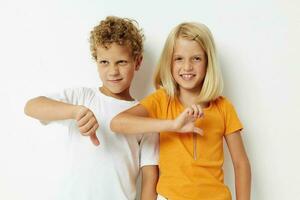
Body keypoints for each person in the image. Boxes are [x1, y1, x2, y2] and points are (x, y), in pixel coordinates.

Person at [111, 22, 251, 200]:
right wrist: (172, 125)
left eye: (196, 58)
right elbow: (117, 123)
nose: (187, 67)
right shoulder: (161, 100)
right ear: (169, 62)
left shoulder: (223, 107)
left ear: (208, 62)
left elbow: (241, 164)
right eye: (179, 58)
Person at [24, 16, 159, 200]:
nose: (113, 71)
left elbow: (150, 178)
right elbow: (31, 106)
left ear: (137, 62)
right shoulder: (82, 97)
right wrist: (75, 111)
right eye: (104, 62)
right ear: (96, 61)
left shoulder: (145, 115)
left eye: (121, 62)